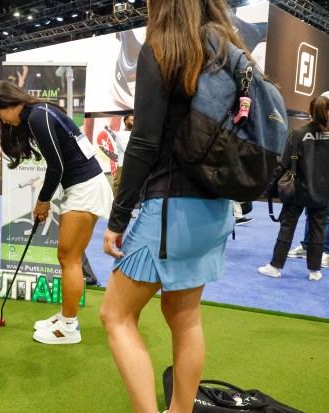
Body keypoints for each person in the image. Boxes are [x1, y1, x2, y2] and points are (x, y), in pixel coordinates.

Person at [100, 1, 245, 411]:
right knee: (186, 317)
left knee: (116, 316)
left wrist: (118, 218)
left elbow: (144, 143)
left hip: (169, 211)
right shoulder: (227, 48)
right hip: (216, 209)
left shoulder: (163, 46)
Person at [0, 79, 114, 345]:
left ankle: (69, 328)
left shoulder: (37, 117)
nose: (4, 122)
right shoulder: (41, 112)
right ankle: (66, 317)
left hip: (86, 189)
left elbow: (55, 167)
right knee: (68, 257)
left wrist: (43, 201)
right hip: (82, 186)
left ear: (9, 103)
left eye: (0, 115)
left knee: (69, 258)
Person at [258, 95, 329, 282]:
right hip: (323, 194)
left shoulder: (298, 134)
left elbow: (284, 164)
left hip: (296, 191)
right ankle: (314, 271)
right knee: (318, 230)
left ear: (309, 112)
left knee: (287, 228)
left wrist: (271, 187)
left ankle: (275, 267)